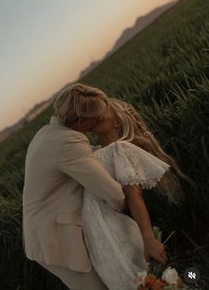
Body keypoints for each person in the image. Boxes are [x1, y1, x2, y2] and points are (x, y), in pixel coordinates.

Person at [22, 83, 126, 290]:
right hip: (55, 238)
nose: (96, 124)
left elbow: (87, 157)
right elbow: (112, 193)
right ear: (80, 121)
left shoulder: (46, 133)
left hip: (43, 233)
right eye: (95, 119)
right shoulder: (67, 142)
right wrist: (120, 213)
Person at [82, 97, 192, 290]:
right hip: (94, 232)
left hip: (110, 229)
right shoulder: (94, 151)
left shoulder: (120, 149)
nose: (96, 114)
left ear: (117, 121)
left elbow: (135, 197)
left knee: (130, 279)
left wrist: (148, 237)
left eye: (102, 110)